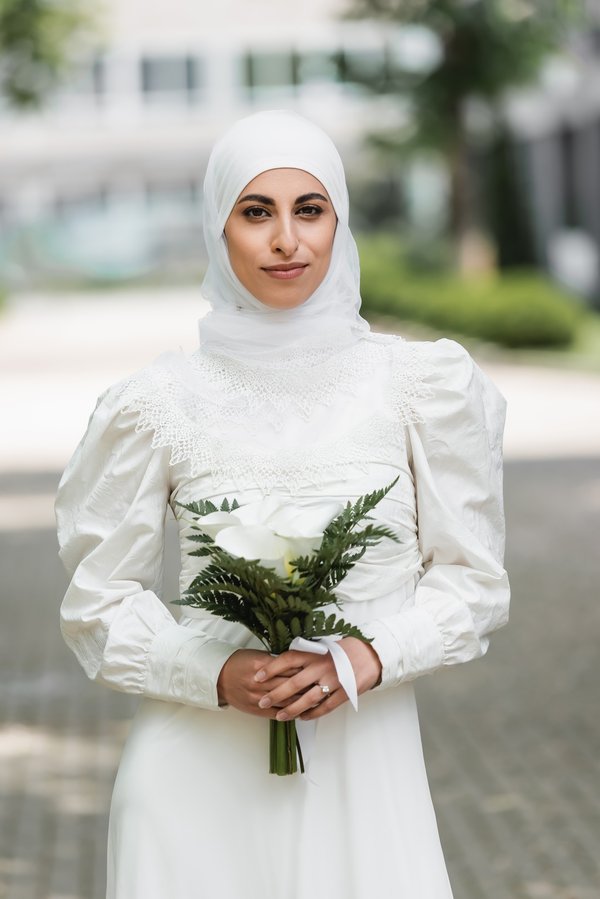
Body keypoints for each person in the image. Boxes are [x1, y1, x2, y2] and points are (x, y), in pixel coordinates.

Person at [55, 109, 510, 899]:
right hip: (193, 789)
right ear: (218, 227)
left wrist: (367, 656)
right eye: (256, 212)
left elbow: (474, 583)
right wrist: (217, 672)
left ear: (340, 221)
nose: (286, 240)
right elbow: (97, 604)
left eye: (310, 209)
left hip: (365, 778)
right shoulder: (156, 403)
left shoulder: (419, 388)